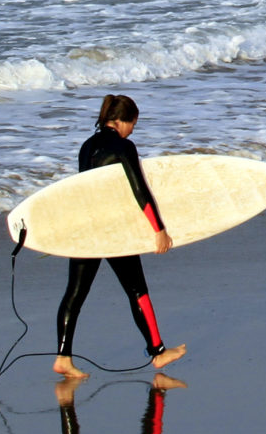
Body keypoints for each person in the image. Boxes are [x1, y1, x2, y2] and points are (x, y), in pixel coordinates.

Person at [51, 94, 186, 380]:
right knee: (137, 290)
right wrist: (158, 230)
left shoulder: (87, 146)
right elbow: (140, 191)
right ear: (123, 121)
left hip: (85, 228)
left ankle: (63, 357)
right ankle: (158, 351)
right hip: (112, 231)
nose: (132, 130)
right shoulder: (123, 146)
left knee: (74, 294)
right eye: (133, 124)